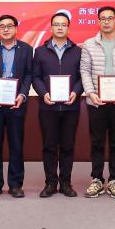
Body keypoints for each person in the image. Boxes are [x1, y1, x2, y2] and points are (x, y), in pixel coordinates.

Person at [79, 5, 115, 199]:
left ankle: (114, 181)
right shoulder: (89, 44)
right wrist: (90, 93)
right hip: (96, 101)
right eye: (103, 18)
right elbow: (84, 71)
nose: (106, 22)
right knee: (96, 142)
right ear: (98, 21)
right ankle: (96, 179)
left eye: (110, 18)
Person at [0, 14, 33, 198]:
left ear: (16, 28)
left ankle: (15, 184)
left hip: (16, 104)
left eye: (9, 26)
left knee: (16, 145)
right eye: (2, 26)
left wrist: (22, 95)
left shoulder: (26, 49)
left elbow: (29, 74)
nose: (6, 29)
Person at [32, 11, 83, 198]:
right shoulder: (40, 51)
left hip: (71, 107)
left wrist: (75, 92)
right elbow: (35, 77)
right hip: (48, 107)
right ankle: (51, 183)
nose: (60, 27)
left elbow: (82, 77)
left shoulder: (78, 51)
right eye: (56, 24)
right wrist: (43, 93)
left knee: (68, 146)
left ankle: (66, 183)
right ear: (51, 27)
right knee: (49, 146)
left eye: (63, 24)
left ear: (68, 28)